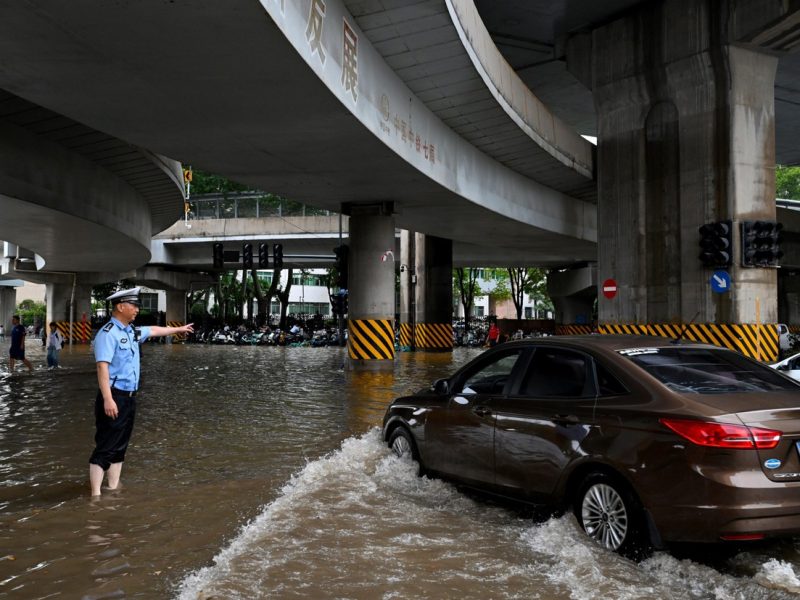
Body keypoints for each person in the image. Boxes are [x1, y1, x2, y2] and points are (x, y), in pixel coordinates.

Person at [89, 287, 194, 497]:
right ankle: (95, 497)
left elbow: (154, 330)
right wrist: (108, 399)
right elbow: (102, 367)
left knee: (120, 447)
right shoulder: (108, 333)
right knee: (105, 446)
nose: (137, 309)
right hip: (114, 395)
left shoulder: (131, 331)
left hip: (129, 397)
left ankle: (112, 488)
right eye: (134, 305)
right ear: (120, 306)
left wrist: (178, 329)